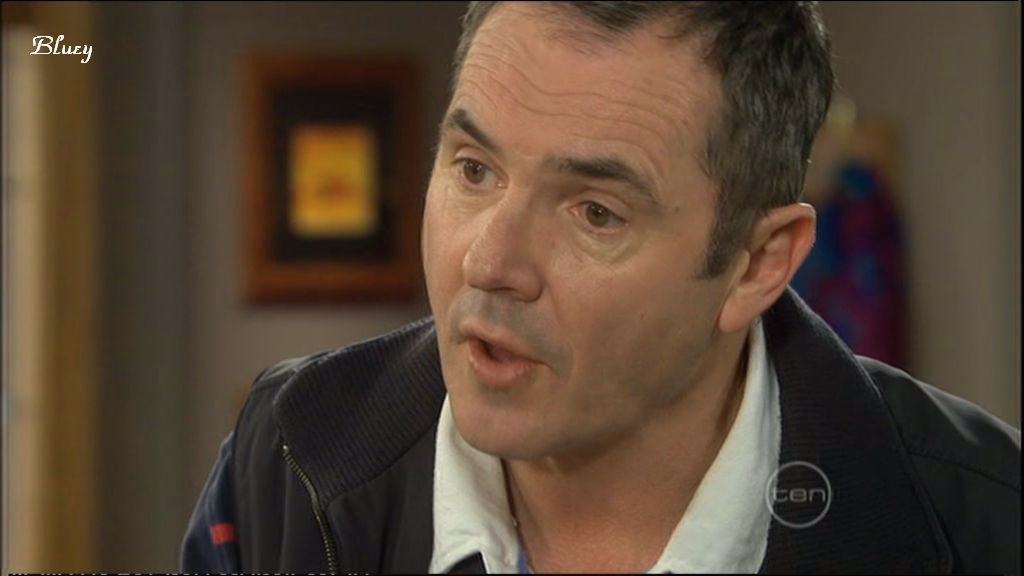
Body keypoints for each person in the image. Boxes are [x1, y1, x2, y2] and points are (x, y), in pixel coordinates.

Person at [181, 2, 1021, 573]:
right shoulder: (288, 456)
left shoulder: (985, 522)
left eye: (595, 213)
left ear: (758, 263)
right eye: (474, 170)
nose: (489, 263)